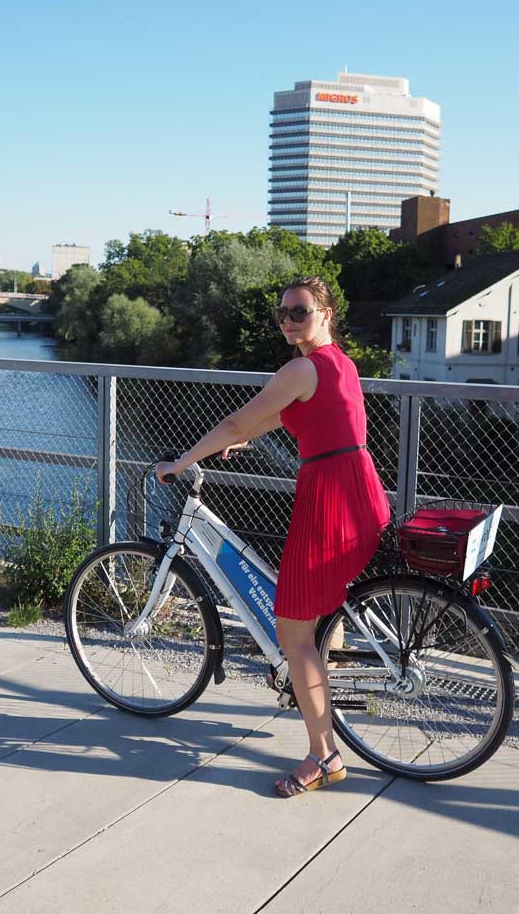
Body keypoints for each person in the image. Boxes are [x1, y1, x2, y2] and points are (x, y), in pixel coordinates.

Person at [155, 276, 390, 798]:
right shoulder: (340, 363)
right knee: (315, 624)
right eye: (282, 312)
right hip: (360, 492)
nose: (288, 320)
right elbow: (306, 414)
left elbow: (240, 420)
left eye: (300, 311)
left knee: (293, 636)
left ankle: (323, 755)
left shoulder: (299, 367)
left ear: (325, 313)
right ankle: (320, 698)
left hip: (327, 501)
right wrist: (244, 438)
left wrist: (184, 461)